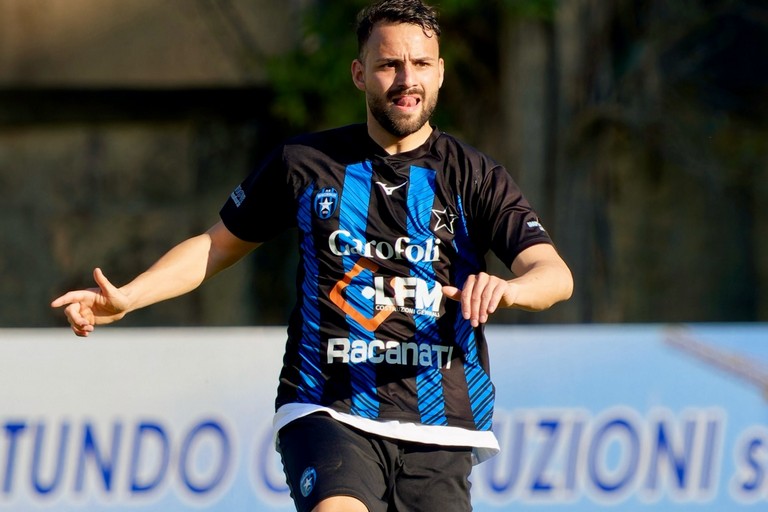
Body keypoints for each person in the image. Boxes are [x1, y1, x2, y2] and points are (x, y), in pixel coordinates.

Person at [51, 0, 574, 510]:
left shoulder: (476, 176)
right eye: (389, 64)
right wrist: (129, 298)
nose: (406, 79)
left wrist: (509, 289)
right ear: (359, 74)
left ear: (439, 73)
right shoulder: (303, 163)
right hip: (326, 404)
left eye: (419, 64)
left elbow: (553, 275)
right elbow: (215, 246)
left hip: (440, 423)